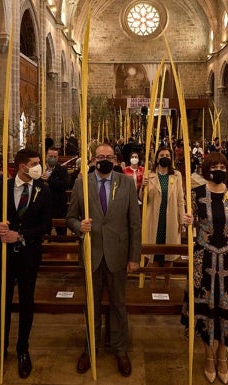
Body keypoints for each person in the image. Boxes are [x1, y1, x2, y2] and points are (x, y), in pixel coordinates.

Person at [66, 143, 141, 378]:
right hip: (92, 253)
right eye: (100, 156)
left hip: (118, 254)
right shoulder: (81, 183)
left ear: (116, 159)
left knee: (119, 305)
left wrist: (134, 257)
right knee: (91, 304)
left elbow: (134, 224)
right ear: (93, 160)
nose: (105, 159)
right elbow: (70, 218)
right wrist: (80, 226)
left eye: (109, 156)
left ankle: (120, 349)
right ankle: (90, 348)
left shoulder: (126, 183)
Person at [0, 149, 52, 379]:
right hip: (4, 255)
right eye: (34, 163)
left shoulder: (43, 190)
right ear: (22, 166)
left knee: (26, 302)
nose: (38, 167)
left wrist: (20, 235)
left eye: (39, 163)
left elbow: (45, 225)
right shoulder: (3, 186)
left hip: (29, 255)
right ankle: (0, 349)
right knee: (3, 301)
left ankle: (23, 349)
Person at [181, 152, 228, 384]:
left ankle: (222, 354)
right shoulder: (196, 195)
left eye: (222, 165)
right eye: (214, 166)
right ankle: (208, 354)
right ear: (206, 169)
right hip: (204, 259)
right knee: (206, 309)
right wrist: (186, 224)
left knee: (226, 309)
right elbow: (188, 231)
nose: (218, 169)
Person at [140, 146, 185, 288]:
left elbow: (180, 200)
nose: (164, 157)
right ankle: (152, 283)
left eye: (167, 154)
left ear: (171, 158)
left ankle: (167, 283)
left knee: (168, 252)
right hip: (154, 218)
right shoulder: (149, 174)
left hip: (170, 218)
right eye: (161, 155)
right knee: (153, 252)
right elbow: (143, 199)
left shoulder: (176, 175)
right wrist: (143, 188)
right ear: (157, 158)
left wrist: (182, 219)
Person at [41, 147, 70, 235]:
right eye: (50, 156)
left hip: (58, 204)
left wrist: (49, 179)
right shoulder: (40, 169)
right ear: (46, 157)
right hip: (43, 205)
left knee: (61, 233)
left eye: (55, 156)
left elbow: (65, 185)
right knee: (44, 232)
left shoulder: (62, 170)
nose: (52, 158)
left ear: (57, 158)